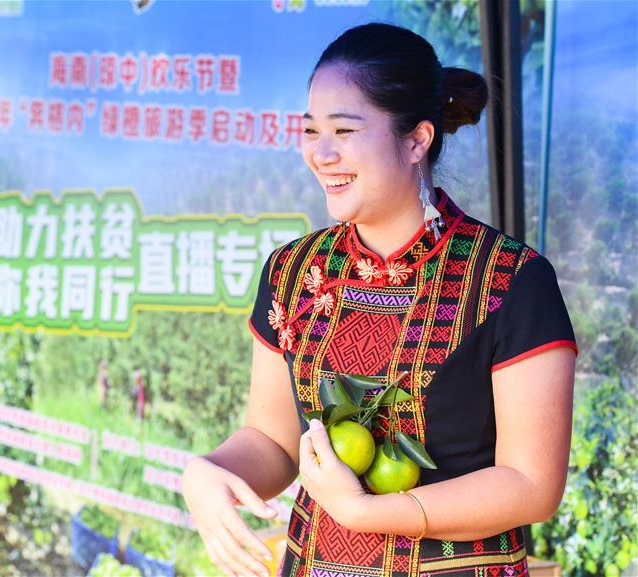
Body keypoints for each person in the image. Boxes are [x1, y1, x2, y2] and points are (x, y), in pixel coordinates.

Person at [181, 22, 577, 577]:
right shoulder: (295, 272)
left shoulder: (511, 278)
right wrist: (206, 471)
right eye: (310, 130)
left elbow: (531, 485)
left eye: (344, 130)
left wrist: (368, 512)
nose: (322, 153)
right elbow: (273, 440)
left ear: (417, 139)